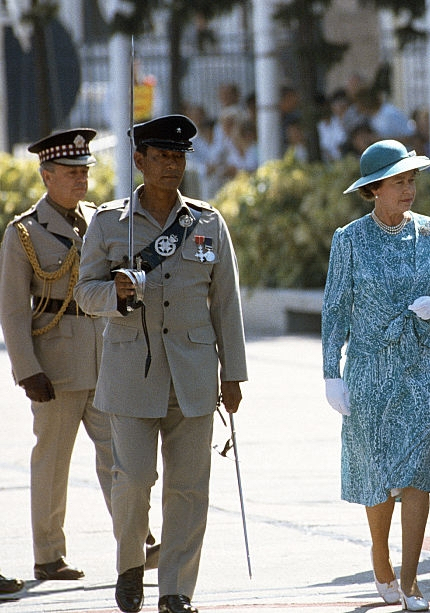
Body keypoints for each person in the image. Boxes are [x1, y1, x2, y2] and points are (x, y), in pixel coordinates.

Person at [74, 114, 247, 613]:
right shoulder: (109, 223)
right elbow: (86, 293)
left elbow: (227, 303)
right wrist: (118, 292)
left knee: (189, 488)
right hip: (130, 374)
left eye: (179, 157)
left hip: (193, 376)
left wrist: (232, 373)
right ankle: (130, 565)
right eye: (162, 157)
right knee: (132, 482)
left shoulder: (208, 222)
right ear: (140, 161)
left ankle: (176, 590)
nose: (172, 166)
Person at [321, 139, 430, 612]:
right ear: (374, 189)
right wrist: (331, 373)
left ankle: (411, 579)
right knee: (377, 469)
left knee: (418, 472)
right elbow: (335, 311)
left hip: (423, 366)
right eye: (399, 182)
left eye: (411, 180)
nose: (409, 189)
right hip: (368, 366)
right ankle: (379, 555)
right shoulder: (350, 239)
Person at [0, 128, 114, 582]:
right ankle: (49, 555)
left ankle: (138, 541)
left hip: (104, 358)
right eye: (70, 173)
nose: (81, 180)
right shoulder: (24, 232)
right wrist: (27, 369)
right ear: (46, 176)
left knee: (121, 456)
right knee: (52, 462)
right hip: (56, 363)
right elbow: (11, 309)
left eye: (84, 171)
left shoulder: (102, 221)